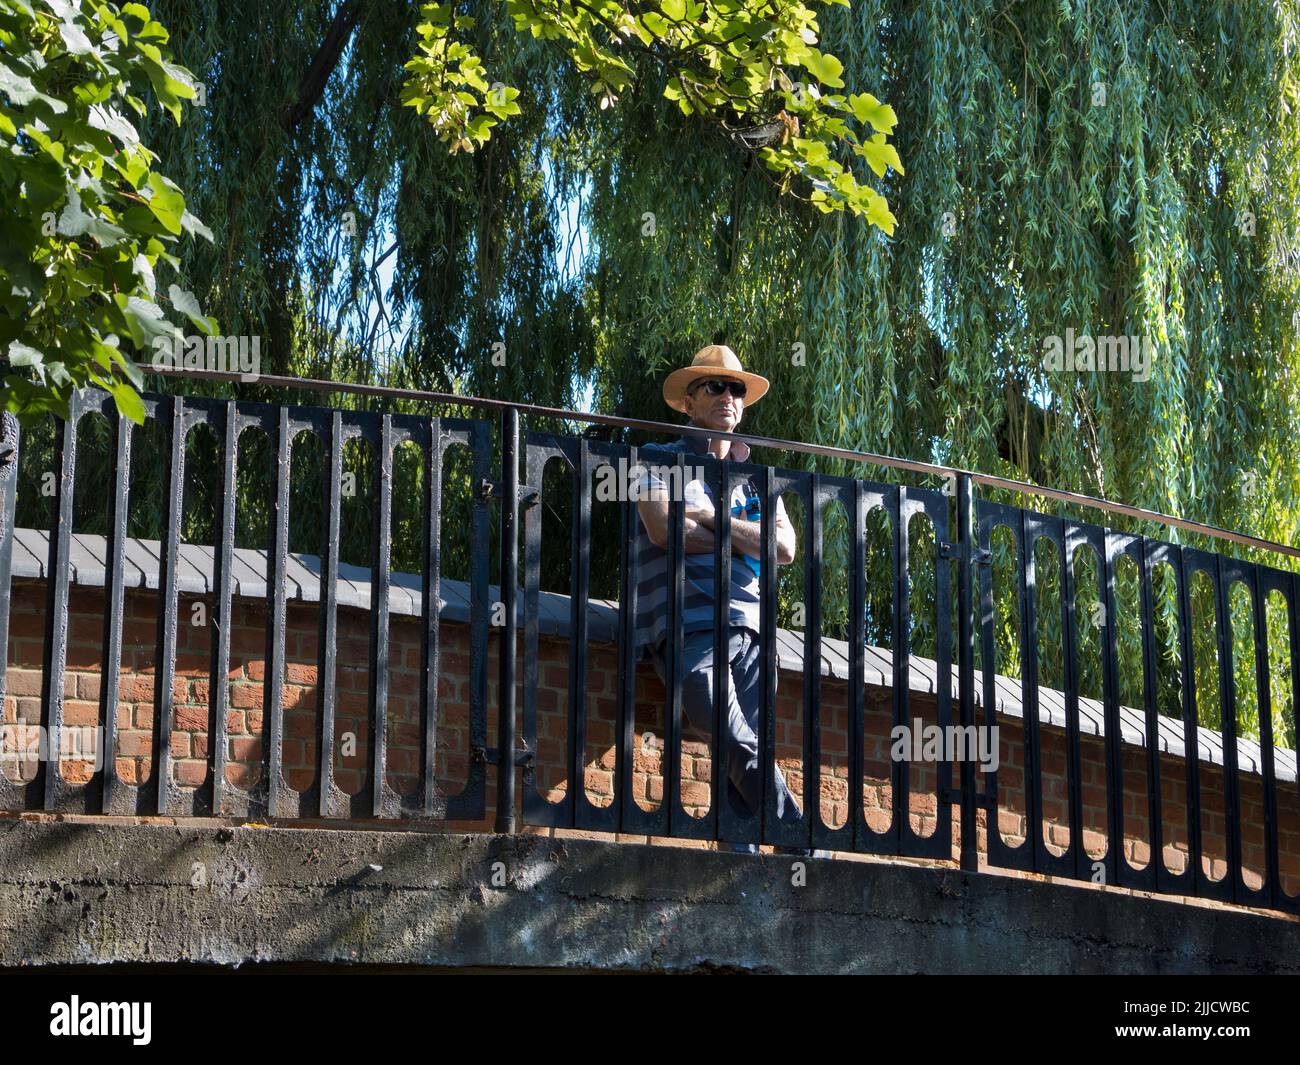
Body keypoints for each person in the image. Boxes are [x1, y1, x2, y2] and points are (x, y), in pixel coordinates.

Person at [634, 343, 826, 858]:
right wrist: (745, 535)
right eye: (715, 386)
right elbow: (662, 528)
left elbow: (784, 548)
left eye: (735, 388)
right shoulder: (654, 460)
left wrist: (711, 518)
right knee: (729, 729)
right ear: (689, 402)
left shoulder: (760, 481)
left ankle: (741, 874)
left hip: (753, 633)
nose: (727, 396)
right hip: (686, 627)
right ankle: (799, 837)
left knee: (736, 759)